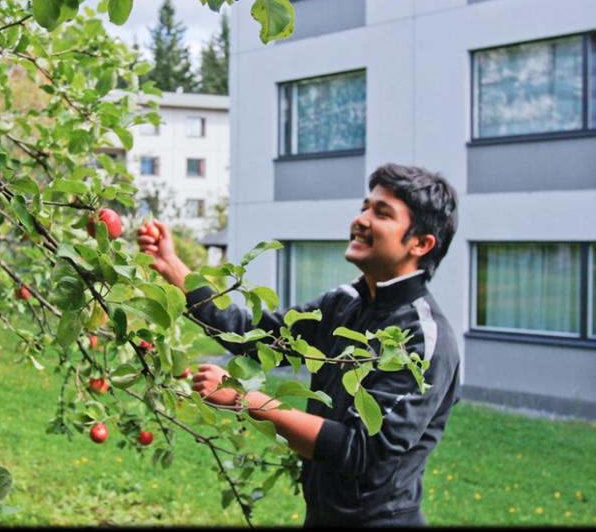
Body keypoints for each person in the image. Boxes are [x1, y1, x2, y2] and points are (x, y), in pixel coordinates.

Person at [137, 163, 460, 527]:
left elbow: (360, 450)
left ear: (420, 243)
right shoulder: (344, 303)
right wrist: (173, 267)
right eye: (365, 207)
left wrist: (247, 400)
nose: (362, 220)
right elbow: (252, 335)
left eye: (381, 213)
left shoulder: (424, 337)